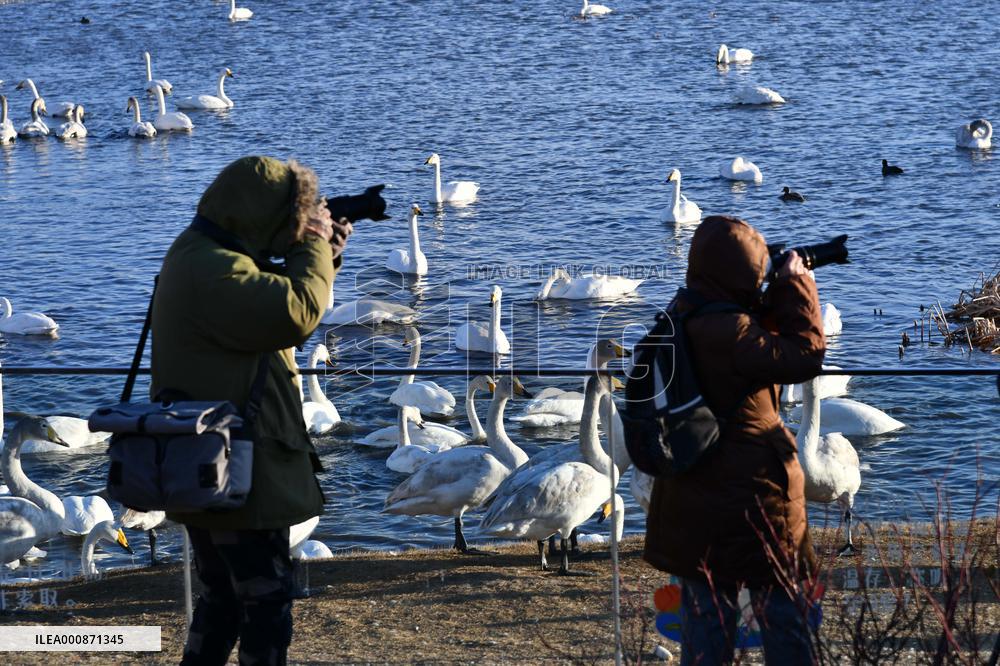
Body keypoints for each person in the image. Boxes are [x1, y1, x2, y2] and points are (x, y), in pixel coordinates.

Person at [150, 156, 352, 665]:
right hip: (234, 464)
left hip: (213, 458)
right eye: (295, 217)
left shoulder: (203, 254)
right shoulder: (214, 267)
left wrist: (326, 256)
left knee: (222, 602)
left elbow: (270, 304)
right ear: (265, 214)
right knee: (264, 604)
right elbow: (294, 313)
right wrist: (312, 247)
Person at [643, 215, 825, 665]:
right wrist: (796, 286)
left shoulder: (677, 318)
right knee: (784, 620)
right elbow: (806, 354)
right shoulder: (737, 334)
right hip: (756, 500)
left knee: (705, 629)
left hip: (692, 499)